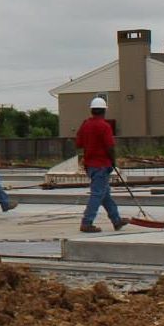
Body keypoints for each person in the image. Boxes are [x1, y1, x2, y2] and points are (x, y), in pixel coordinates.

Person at [74, 96, 126, 233]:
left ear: (92, 110)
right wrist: (113, 160)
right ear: (104, 111)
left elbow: (79, 144)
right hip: (102, 165)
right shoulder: (104, 126)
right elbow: (110, 147)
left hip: (90, 165)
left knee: (105, 194)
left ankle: (116, 220)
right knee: (97, 194)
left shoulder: (85, 125)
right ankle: (87, 222)